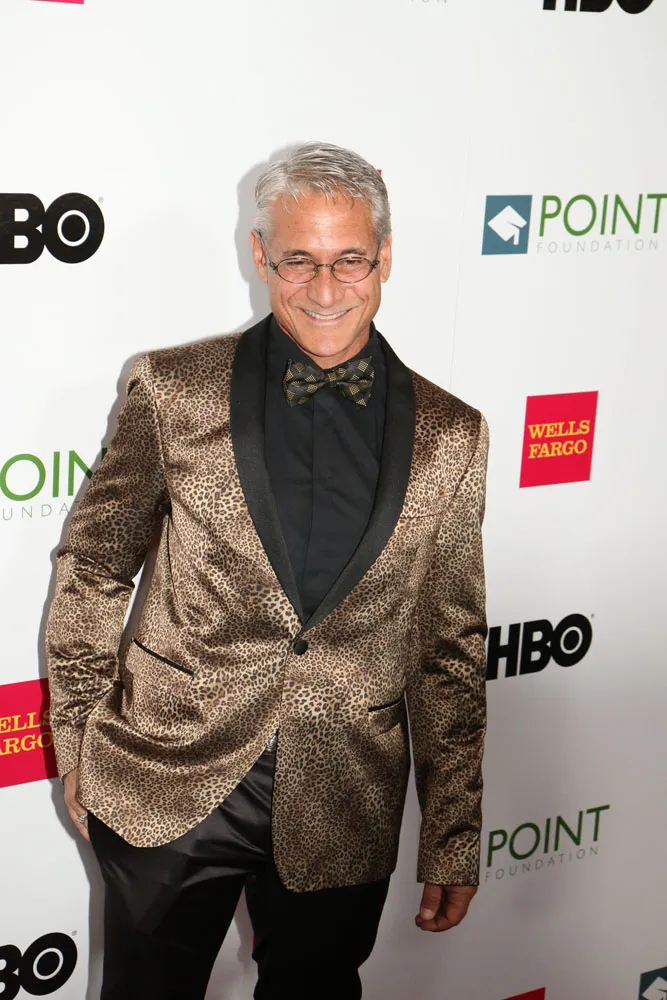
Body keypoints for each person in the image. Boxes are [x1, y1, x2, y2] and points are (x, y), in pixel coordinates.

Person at [45, 141, 490, 1000]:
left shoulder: (452, 435)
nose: (325, 290)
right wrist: (80, 741)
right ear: (259, 255)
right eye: (298, 261)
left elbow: (449, 650)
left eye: (349, 260)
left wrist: (452, 836)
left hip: (346, 796)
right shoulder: (173, 391)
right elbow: (93, 567)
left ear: (384, 256)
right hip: (168, 778)